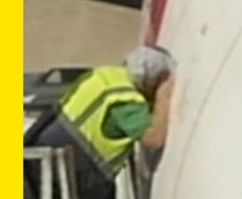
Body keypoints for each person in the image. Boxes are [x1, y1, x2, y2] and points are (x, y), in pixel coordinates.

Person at [46, 45, 173, 175]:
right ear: (153, 82)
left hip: (48, 154)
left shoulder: (105, 76)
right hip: (74, 171)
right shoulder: (126, 100)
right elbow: (154, 139)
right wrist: (163, 97)